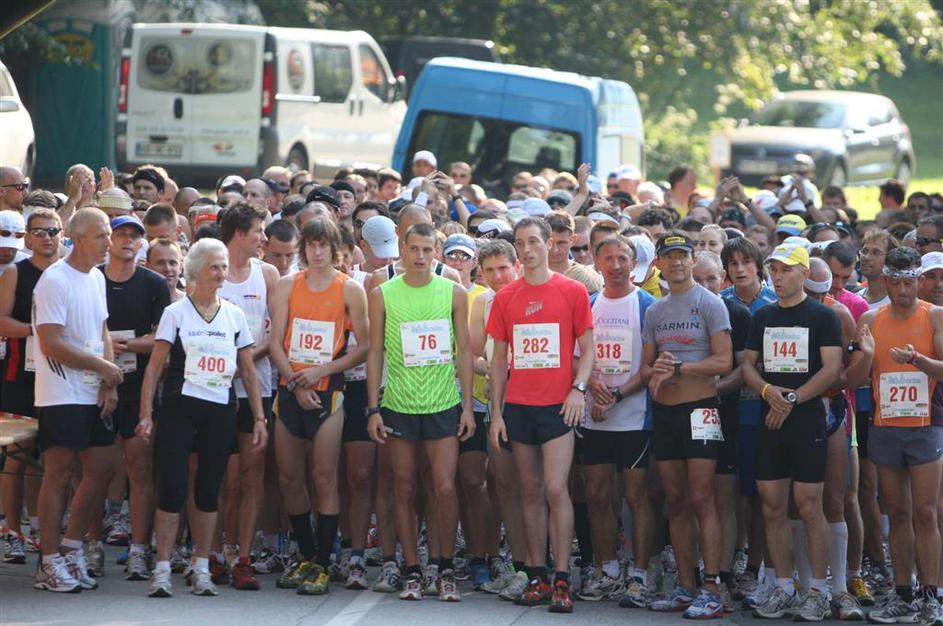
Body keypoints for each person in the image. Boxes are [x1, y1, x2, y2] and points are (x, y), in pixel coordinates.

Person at [138, 238, 267, 598]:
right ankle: (162, 567)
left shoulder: (234, 315)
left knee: (209, 489)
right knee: (173, 487)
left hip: (220, 410)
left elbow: (248, 371)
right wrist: (146, 414)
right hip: (180, 407)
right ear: (196, 271)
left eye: (224, 266)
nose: (221, 273)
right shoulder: (176, 313)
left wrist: (259, 418)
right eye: (214, 267)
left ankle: (201, 566)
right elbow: (154, 368)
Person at [487, 216, 595, 613]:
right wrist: (497, 414)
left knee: (555, 488)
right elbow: (499, 360)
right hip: (519, 405)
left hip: (557, 406)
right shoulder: (506, 297)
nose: (527, 249)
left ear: (549, 244)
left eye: (534, 241)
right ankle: (537, 575)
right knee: (529, 491)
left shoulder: (572, 290)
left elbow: (588, 348)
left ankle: (563, 577)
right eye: (521, 242)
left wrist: (578, 389)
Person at [366, 222, 475, 602]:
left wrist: (467, 407)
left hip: (443, 403)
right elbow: (374, 352)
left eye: (427, 250)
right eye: (414, 248)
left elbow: (464, 350)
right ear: (403, 248)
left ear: (436, 253)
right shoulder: (382, 293)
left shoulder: (453, 292)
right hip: (399, 404)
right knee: (404, 486)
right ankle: (412, 568)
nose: (420, 256)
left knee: (444, 487)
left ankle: (444, 567)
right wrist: (373, 408)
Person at [741, 244, 843, 621]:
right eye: (774, 270)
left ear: (804, 273)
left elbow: (832, 368)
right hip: (771, 417)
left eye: (786, 270)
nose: (778, 277)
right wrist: (769, 391)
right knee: (771, 505)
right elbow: (748, 366)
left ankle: (818, 589)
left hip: (806, 418)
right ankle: (783, 586)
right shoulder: (763, 315)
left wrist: (794, 398)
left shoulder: (822, 315)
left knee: (810, 505)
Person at [268, 216, 368, 595]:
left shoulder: (350, 289)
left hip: (329, 392)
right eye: (311, 244)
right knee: (289, 477)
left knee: (324, 477)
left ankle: (324, 563)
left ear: (335, 249)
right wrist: (296, 383)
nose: (317, 251)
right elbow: (275, 342)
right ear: (303, 248)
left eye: (323, 244)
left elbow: (365, 347)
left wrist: (321, 371)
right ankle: (307, 556)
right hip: (290, 390)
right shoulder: (287, 285)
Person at [845, 246, 943, 625]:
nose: (903, 291)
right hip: (885, 425)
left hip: (925, 426)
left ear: (918, 281)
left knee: (926, 512)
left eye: (909, 283)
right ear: (885, 280)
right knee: (898, 512)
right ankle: (903, 592)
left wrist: (917, 360)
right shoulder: (871, 318)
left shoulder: (933, 315)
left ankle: (931, 595)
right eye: (897, 283)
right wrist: (867, 356)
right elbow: (852, 380)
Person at [641, 231, 732, 619]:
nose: (677, 262)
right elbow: (646, 367)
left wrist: (681, 367)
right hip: (665, 414)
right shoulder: (655, 311)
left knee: (701, 498)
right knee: (675, 499)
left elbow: (724, 361)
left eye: (683, 255)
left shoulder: (710, 303)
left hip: (701, 409)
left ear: (692, 260)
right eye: (669, 256)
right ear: (659, 263)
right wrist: (657, 370)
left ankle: (712, 585)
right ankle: (685, 584)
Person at [32, 208, 123, 593]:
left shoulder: (96, 277)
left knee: (102, 467)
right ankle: (48, 561)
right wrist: (102, 367)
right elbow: (51, 343)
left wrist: (108, 382)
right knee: (59, 472)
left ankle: (71, 549)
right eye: (102, 235)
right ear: (79, 238)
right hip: (60, 392)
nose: (109, 242)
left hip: (93, 389)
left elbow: (103, 330)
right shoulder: (54, 280)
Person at [577, 235, 657, 605]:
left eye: (623, 258)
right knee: (596, 495)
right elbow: (578, 356)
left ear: (633, 262)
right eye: (608, 258)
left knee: (636, 496)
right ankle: (606, 569)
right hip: (594, 416)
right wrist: (593, 387)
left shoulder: (647, 305)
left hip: (633, 417)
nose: (616, 265)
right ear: (597, 263)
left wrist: (617, 395)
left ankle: (640, 573)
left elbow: (649, 366)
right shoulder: (589, 303)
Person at [99, 215, 170, 580]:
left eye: (134, 236)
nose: (127, 240)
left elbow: (162, 340)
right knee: (95, 471)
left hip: (139, 387)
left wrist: (122, 344)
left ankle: (140, 550)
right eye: (121, 234)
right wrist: (104, 350)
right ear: (108, 240)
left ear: (142, 243)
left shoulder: (154, 284)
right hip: (94, 385)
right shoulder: (92, 278)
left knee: (140, 468)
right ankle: (90, 546)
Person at [217, 202, 279, 590]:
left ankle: (243, 556)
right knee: (223, 476)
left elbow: (276, 334)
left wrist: (244, 361)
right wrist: (230, 366)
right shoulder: (213, 269)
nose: (264, 238)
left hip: (258, 387)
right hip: (215, 388)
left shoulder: (267, 273)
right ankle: (214, 552)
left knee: (252, 474)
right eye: (258, 231)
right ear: (239, 234)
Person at [692, 250, 753, 612]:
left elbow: (744, 369)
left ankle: (723, 573)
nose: (704, 286)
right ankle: (691, 574)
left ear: (724, 281)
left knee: (723, 497)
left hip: (724, 416)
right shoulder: (676, 311)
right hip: (684, 416)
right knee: (690, 497)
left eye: (711, 279)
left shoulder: (739, 314)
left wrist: (711, 389)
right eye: (697, 279)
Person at [0, 208, 62, 565]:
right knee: (17, 455)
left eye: (53, 231)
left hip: (59, 375)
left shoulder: (70, 272)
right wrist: (38, 330)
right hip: (19, 376)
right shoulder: (15, 272)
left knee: (50, 457)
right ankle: (12, 532)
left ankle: (40, 528)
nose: (46, 237)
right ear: (26, 236)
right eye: (39, 231)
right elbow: (2, 322)